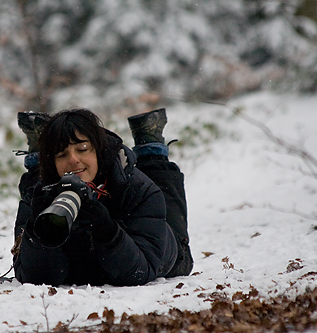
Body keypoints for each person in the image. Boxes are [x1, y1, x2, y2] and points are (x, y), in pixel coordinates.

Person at [11, 107, 192, 286]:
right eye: (62, 154)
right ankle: (42, 147)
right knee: (42, 178)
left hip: (158, 246)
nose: (73, 159)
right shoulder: (37, 197)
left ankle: (150, 143)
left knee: (180, 250)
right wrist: (38, 230)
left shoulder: (139, 190)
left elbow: (139, 272)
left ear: (98, 150)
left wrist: (108, 231)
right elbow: (34, 278)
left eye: (82, 149)